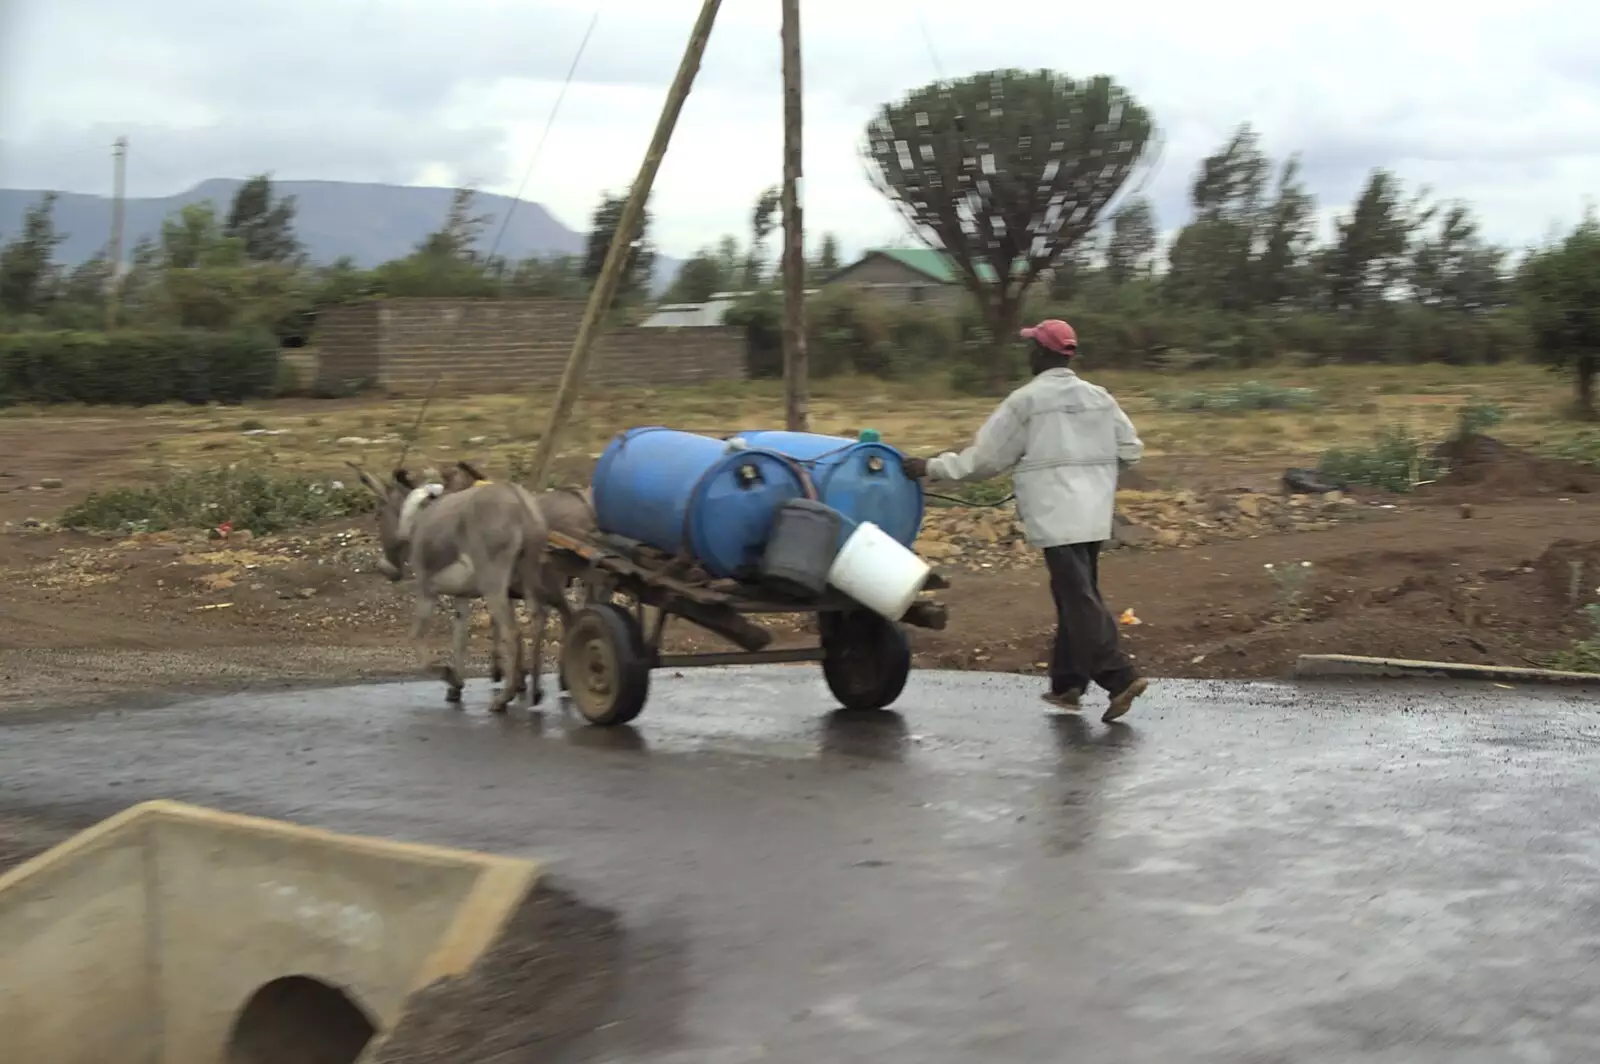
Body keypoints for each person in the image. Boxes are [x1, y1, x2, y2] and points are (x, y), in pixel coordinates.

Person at [902, 318, 1148, 723]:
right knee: (1075, 592)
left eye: (1031, 346)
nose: (1028, 352)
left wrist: (930, 466)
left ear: (1039, 352)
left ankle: (1119, 677)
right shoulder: (1099, 398)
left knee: (1078, 597)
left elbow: (983, 461)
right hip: (1093, 511)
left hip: (1055, 512)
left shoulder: (1026, 401)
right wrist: (1094, 473)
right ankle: (1067, 684)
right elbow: (1131, 450)